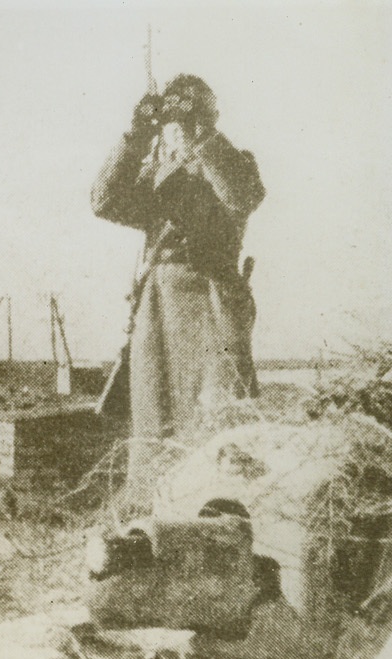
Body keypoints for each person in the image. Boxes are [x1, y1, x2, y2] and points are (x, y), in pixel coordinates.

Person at [92, 74, 265, 489]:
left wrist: (201, 138)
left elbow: (241, 196)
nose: (177, 133)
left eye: (188, 118)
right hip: (158, 308)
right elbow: (104, 201)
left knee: (218, 415)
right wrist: (136, 136)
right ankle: (151, 514)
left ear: (210, 119)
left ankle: (221, 505)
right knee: (154, 421)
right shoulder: (158, 179)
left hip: (212, 301)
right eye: (171, 124)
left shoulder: (233, 163)